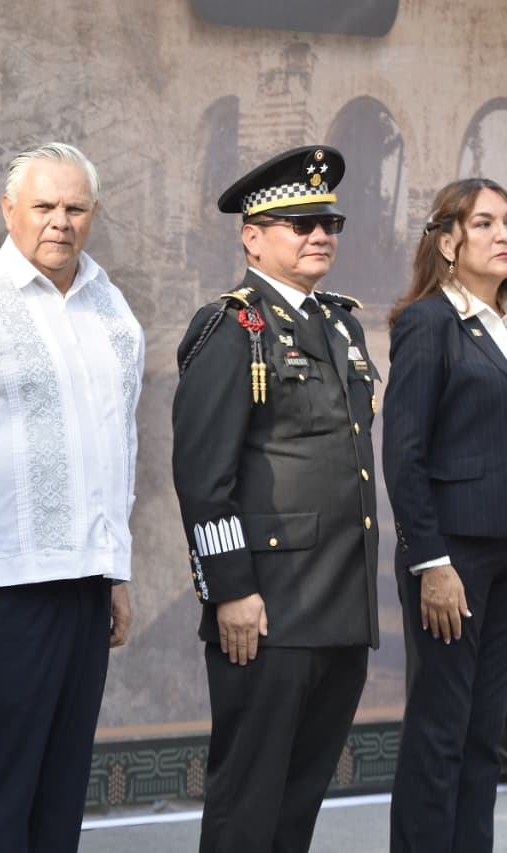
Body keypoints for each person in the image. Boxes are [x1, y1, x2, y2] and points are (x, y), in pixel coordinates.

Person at [0, 143, 139, 853]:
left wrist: (117, 570)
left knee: (61, 791)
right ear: (9, 209)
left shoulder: (111, 305)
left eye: (75, 207)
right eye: (43, 205)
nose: (59, 221)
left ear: (93, 214)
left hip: (87, 582)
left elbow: (121, 443)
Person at [171, 145, 379, 853]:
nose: (319, 235)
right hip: (267, 609)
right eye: (299, 223)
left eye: (329, 223)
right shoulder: (233, 327)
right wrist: (230, 588)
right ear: (252, 237)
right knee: (249, 800)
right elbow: (204, 477)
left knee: (299, 800)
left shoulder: (341, 323)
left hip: (339, 605)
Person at [384, 178, 507, 853]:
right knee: (440, 730)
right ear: (449, 241)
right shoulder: (430, 322)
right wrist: (431, 561)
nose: (502, 235)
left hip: (504, 554)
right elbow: (403, 454)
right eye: (484, 223)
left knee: (485, 734)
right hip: (451, 557)